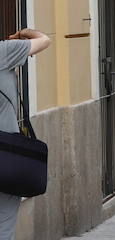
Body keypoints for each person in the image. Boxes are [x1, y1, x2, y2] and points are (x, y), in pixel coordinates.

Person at [1, 29, 52, 239]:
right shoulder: (4, 51)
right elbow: (44, 40)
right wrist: (22, 33)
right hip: (5, 157)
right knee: (3, 223)